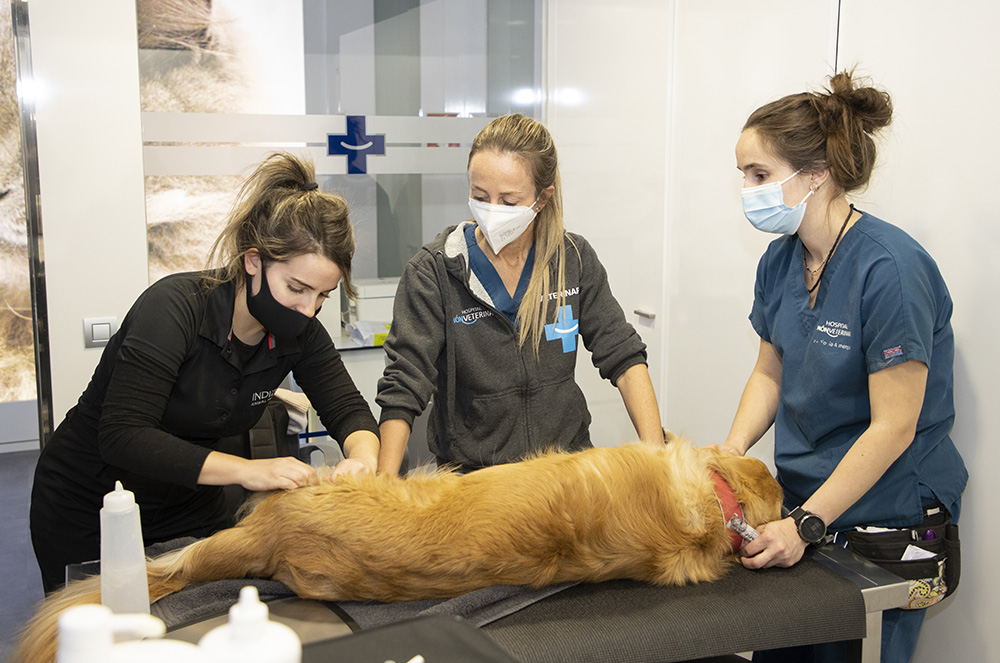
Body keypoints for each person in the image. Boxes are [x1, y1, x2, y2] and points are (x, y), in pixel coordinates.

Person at [30, 152, 380, 593]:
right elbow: (124, 434)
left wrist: (363, 459)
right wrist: (249, 471)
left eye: (323, 296)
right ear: (253, 261)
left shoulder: (302, 333)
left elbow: (349, 410)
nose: (309, 310)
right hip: (94, 504)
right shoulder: (174, 308)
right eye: (297, 288)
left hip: (191, 504)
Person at [719, 71, 968, 662]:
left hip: (888, 515)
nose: (747, 190)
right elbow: (770, 372)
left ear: (817, 173)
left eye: (760, 175)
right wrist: (729, 454)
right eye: (743, 175)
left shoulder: (890, 270)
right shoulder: (780, 262)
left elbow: (894, 427)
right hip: (803, 507)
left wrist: (807, 525)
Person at [376, 113, 662, 474]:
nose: (492, 211)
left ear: (542, 198)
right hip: (479, 480)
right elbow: (404, 384)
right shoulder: (434, 273)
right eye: (480, 196)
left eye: (509, 202)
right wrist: (383, 485)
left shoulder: (571, 260)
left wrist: (659, 460)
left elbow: (623, 355)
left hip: (565, 472)